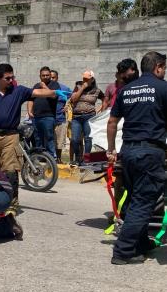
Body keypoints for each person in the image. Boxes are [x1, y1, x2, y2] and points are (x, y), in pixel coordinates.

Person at [0, 63, 69, 215]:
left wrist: (54, 92)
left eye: (12, 77)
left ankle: (11, 204)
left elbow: (36, 92)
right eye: (7, 78)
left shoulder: (18, 90)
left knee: (10, 171)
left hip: (10, 136)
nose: (11, 80)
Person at [107, 51, 167, 265]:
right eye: (164, 68)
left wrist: (111, 150)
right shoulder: (163, 88)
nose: (164, 72)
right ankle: (123, 251)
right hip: (150, 152)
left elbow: (112, 122)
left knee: (136, 200)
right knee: (143, 202)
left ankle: (141, 243)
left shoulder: (126, 90)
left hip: (129, 152)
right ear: (158, 67)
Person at [70, 70, 104, 165]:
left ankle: (87, 159)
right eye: (83, 78)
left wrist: (100, 110)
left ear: (92, 79)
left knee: (88, 139)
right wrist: (82, 87)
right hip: (76, 117)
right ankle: (78, 157)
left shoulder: (97, 90)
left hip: (89, 116)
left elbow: (105, 99)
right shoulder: (78, 87)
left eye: (87, 79)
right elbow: (73, 99)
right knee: (75, 139)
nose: (84, 80)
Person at [28, 66, 60, 158]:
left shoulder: (54, 85)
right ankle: (40, 157)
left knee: (49, 137)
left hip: (48, 117)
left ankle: (52, 157)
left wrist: (44, 86)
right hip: (36, 117)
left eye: (47, 75)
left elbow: (53, 96)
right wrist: (30, 111)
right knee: (37, 138)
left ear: (50, 75)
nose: (45, 77)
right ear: (40, 76)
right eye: (43, 75)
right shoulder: (36, 86)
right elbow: (31, 99)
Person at [50, 70, 71, 164]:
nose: (51, 79)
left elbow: (73, 96)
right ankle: (49, 159)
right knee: (50, 140)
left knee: (59, 141)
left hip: (60, 119)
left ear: (57, 78)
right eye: (50, 77)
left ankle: (58, 159)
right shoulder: (45, 88)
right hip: (48, 119)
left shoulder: (64, 88)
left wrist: (68, 105)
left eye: (53, 77)